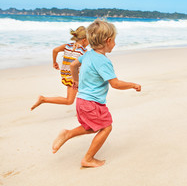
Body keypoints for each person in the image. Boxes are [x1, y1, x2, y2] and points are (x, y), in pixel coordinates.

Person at [51, 19, 141, 168]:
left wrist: (76, 81)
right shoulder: (103, 61)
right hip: (92, 103)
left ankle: (67, 134)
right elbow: (115, 84)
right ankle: (88, 158)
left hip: (82, 101)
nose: (115, 44)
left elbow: (73, 65)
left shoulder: (88, 54)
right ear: (108, 41)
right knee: (106, 127)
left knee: (91, 126)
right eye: (114, 41)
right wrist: (133, 85)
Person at [31, 26, 89, 111]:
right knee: (70, 100)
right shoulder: (83, 51)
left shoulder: (67, 46)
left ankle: (82, 110)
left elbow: (55, 50)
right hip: (74, 77)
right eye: (89, 40)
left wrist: (54, 62)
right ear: (84, 40)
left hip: (65, 75)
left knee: (82, 92)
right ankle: (44, 99)